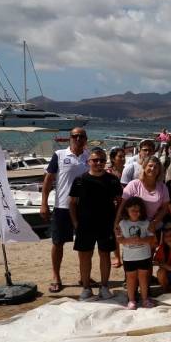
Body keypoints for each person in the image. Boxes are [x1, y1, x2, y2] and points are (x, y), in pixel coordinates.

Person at [68, 148, 123, 301]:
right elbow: (72, 203)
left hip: (106, 224)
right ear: (88, 162)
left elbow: (120, 202)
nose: (98, 163)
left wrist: (116, 221)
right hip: (85, 225)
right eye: (95, 160)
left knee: (105, 254)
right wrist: (75, 223)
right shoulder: (80, 180)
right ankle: (86, 288)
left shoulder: (112, 180)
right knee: (85, 256)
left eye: (102, 160)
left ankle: (104, 287)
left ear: (105, 162)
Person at [41, 127, 90, 293]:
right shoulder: (60, 155)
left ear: (85, 139)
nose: (78, 139)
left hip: (84, 208)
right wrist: (44, 203)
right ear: (70, 138)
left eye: (81, 136)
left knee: (85, 244)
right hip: (62, 206)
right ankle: (56, 276)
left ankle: (85, 276)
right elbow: (48, 180)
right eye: (75, 136)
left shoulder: (89, 157)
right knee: (58, 243)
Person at [115, 197, 157, 309]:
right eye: (133, 210)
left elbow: (151, 238)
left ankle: (145, 299)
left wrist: (142, 240)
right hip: (129, 258)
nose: (136, 213)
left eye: (138, 211)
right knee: (130, 278)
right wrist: (127, 241)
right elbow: (119, 239)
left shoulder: (146, 222)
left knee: (143, 278)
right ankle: (132, 300)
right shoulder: (122, 224)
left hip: (144, 256)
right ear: (127, 210)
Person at [120, 156, 170, 230]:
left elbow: (165, 208)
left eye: (156, 167)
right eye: (150, 166)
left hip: (152, 226)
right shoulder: (133, 185)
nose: (152, 169)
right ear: (144, 167)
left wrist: (154, 223)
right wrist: (116, 223)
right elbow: (122, 206)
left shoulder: (163, 187)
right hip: (132, 226)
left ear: (159, 170)